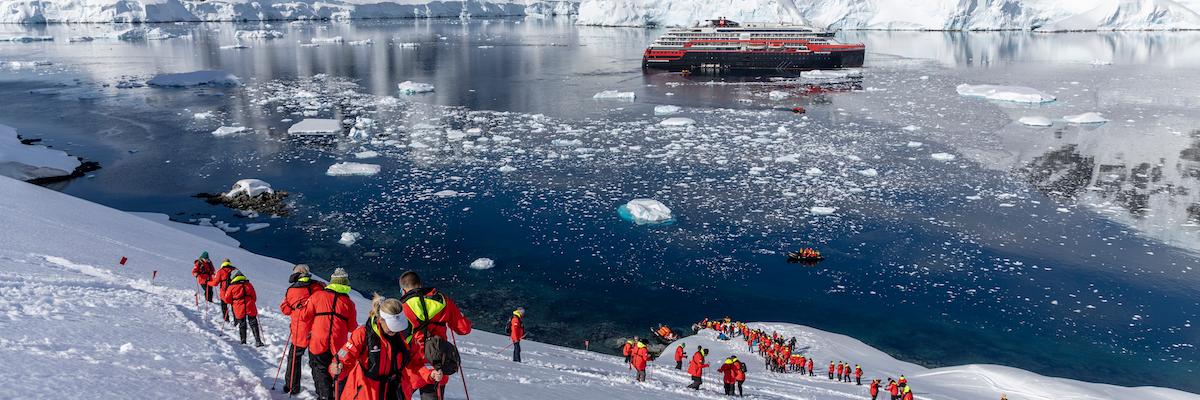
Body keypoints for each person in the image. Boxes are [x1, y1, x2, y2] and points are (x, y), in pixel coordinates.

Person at [397, 271, 472, 400]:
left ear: (403, 290)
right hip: (437, 363)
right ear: (420, 284)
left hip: (413, 365)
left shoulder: (404, 307)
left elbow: (399, 339)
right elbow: (464, 329)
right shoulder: (443, 300)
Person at [330, 294, 412, 400]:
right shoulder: (362, 333)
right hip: (366, 391)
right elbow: (345, 351)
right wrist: (338, 363)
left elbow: (417, 361)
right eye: (392, 326)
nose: (394, 330)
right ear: (381, 320)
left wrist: (430, 373)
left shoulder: (401, 337)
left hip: (393, 390)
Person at [298, 268, 358, 400]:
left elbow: (304, 316)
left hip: (318, 341)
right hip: (339, 344)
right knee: (339, 370)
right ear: (346, 284)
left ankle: (324, 396)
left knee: (319, 369)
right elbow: (352, 327)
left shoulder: (317, 296)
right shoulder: (349, 303)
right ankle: (337, 395)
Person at [279, 264, 325, 395]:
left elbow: (285, 310)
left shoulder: (292, 290)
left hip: (301, 329)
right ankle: (323, 392)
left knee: (294, 359)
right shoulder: (318, 286)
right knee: (317, 362)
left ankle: (292, 387)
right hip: (318, 328)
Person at [221, 269, 264, 346]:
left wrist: (233, 302)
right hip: (250, 305)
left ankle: (243, 341)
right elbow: (254, 297)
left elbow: (227, 299)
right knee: (253, 322)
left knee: (242, 324)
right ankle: (258, 340)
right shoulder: (248, 284)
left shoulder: (231, 287)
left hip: (238, 306)